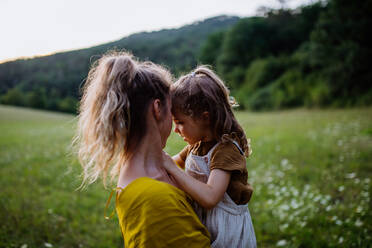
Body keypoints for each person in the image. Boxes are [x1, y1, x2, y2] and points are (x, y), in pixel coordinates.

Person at [75, 51, 210, 248]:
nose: (174, 127)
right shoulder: (153, 199)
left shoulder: (147, 174)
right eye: (171, 112)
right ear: (157, 109)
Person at [162, 66, 257, 248]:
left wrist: (172, 168)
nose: (175, 129)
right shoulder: (196, 146)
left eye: (180, 122)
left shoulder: (225, 150)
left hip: (228, 234)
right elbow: (172, 163)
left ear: (205, 118)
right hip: (207, 225)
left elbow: (211, 197)